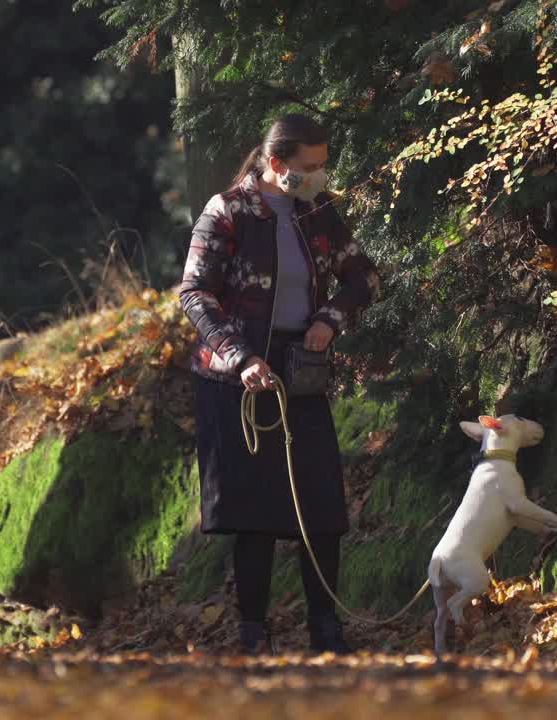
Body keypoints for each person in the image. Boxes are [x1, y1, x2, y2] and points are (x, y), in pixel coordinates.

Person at [178, 113, 381, 654]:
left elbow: (364, 275)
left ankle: (326, 628)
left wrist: (329, 319)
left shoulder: (319, 212)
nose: (319, 175)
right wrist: (240, 356)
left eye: (322, 165)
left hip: (301, 367)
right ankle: (252, 633)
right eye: (308, 167)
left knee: (320, 501)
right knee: (254, 509)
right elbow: (195, 293)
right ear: (276, 164)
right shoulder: (227, 211)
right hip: (235, 378)